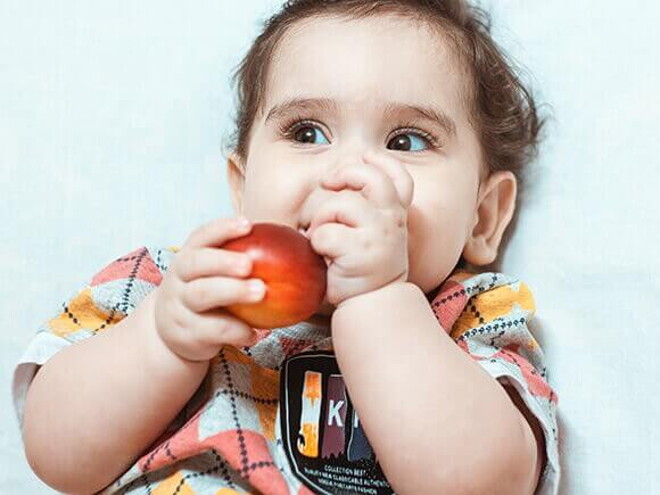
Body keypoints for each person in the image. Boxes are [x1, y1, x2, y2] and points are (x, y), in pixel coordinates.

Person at [12, 1, 560, 493]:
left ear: (482, 218)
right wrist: (162, 340)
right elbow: (55, 456)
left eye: (406, 141)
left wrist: (379, 302)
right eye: (306, 133)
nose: (348, 175)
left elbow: (485, 485)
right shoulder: (173, 284)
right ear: (241, 188)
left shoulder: (471, 322)